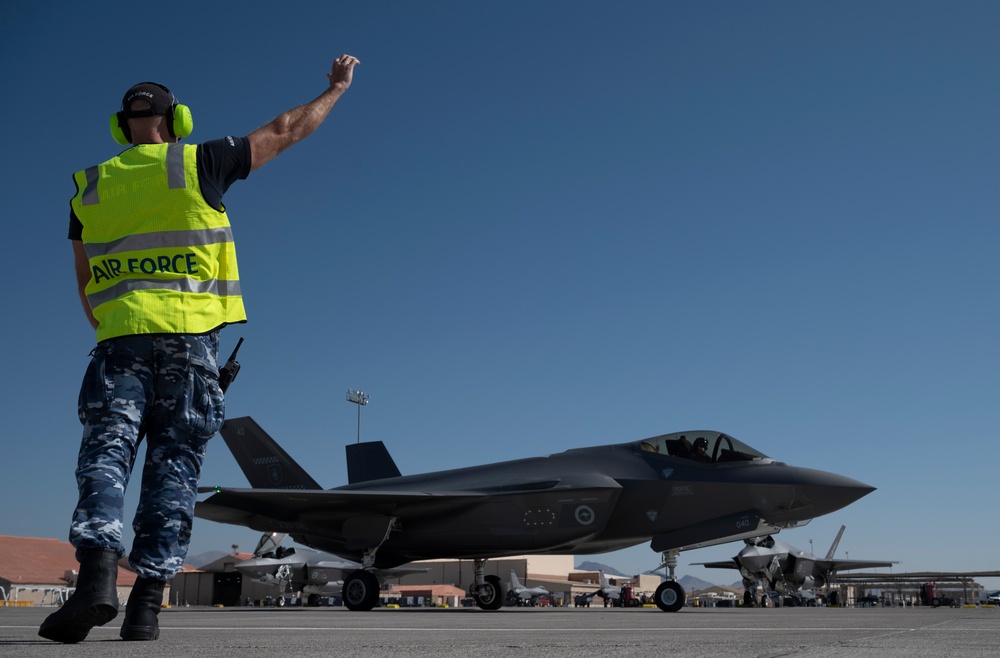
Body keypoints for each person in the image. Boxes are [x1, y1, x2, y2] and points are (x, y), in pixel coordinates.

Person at [39, 54, 360, 644]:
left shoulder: (90, 185)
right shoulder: (201, 160)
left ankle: (96, 582)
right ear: (177, 118)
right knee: (175, 474)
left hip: (120, 344)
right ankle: (145, 610)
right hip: (191, 348)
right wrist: (336, 89)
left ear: (121, 124)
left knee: (106, 459)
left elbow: (86, 280)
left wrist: (114, 327)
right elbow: (286, 130)